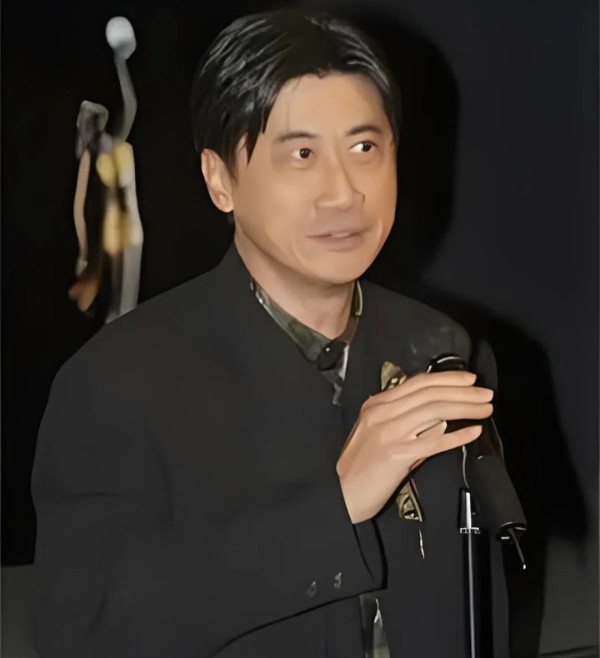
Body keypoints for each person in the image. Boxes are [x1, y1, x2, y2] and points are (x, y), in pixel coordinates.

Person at [31, 8, 508, 658]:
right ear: (220, 179)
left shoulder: (441, 349)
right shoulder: (118, 381)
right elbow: (85, 632)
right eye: (302, 155)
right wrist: (335, 507)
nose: (343, 193)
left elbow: (480, 611)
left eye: (364, 149)